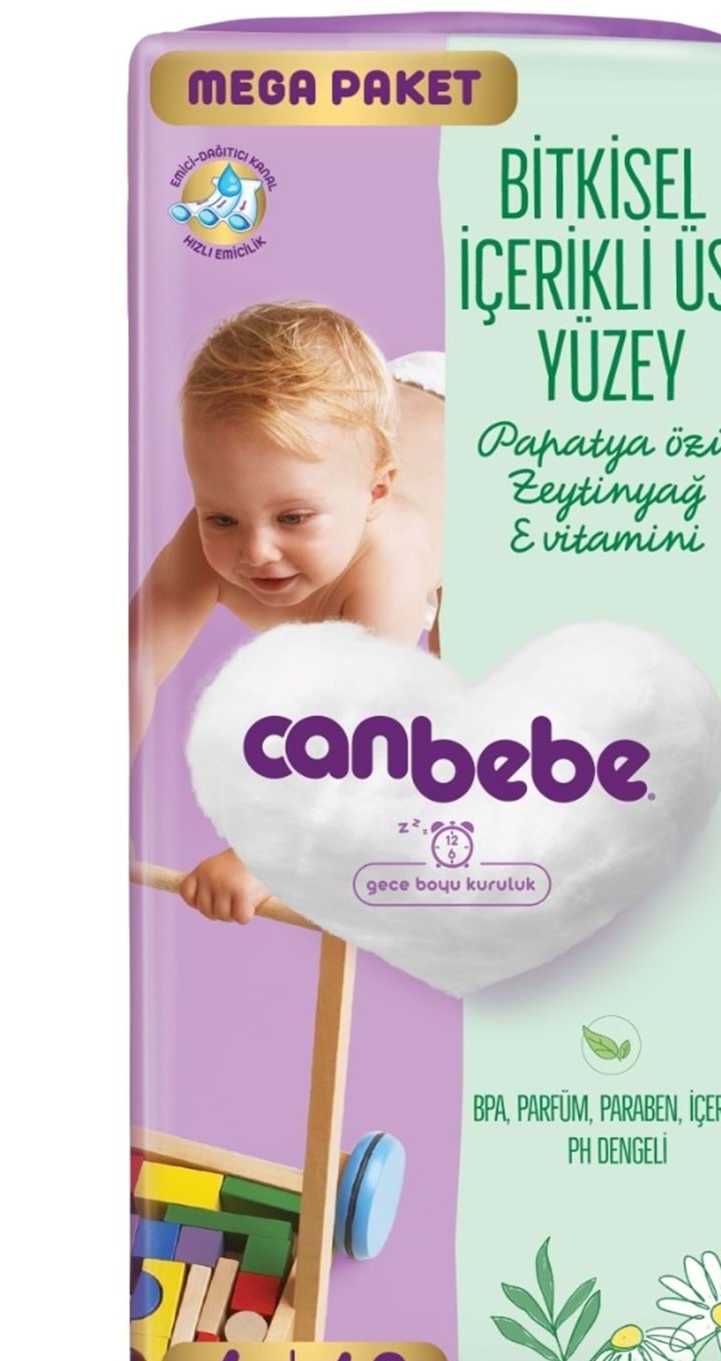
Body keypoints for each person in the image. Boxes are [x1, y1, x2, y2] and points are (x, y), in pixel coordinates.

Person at [130, 301, 445, 922]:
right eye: (222, 518)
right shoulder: (225, 525)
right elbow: (134, 664)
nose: (255, 551)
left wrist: (260, 855)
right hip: (391, 402)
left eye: (293, 519)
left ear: (375, 493)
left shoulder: (387, 567)